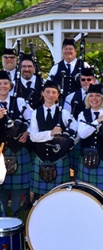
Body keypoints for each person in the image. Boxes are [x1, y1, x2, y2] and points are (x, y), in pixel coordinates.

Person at [29, 80, 78, 197]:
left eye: (54, 92)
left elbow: (76, 130)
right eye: (48, 92)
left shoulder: (65, 113)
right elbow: (33, 137)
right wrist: (51, 133)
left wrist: (69, 142)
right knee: (40, 195)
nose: (50, 95)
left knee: (59, 193)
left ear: (58, 95)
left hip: (59, 158)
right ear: (42, 93)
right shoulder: (35, 113)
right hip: (41, 156)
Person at [0, 70, 33, 217]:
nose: (2, 86)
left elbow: (33, 120)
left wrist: (27, 133)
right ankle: (2, 217)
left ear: (11, 85)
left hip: (18, 149)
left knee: (16, 188)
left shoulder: (19, 102)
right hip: (1, 149)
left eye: (5, 83)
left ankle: (15, 215)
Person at [63, 67, 96, 180]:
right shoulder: (70, 97)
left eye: (89, 79)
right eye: (83, 79)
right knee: (77, 167)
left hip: (96, 136)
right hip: (77, 136)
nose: (86, 82)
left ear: (94, 80)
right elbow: (67, 117)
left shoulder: (102, 97)